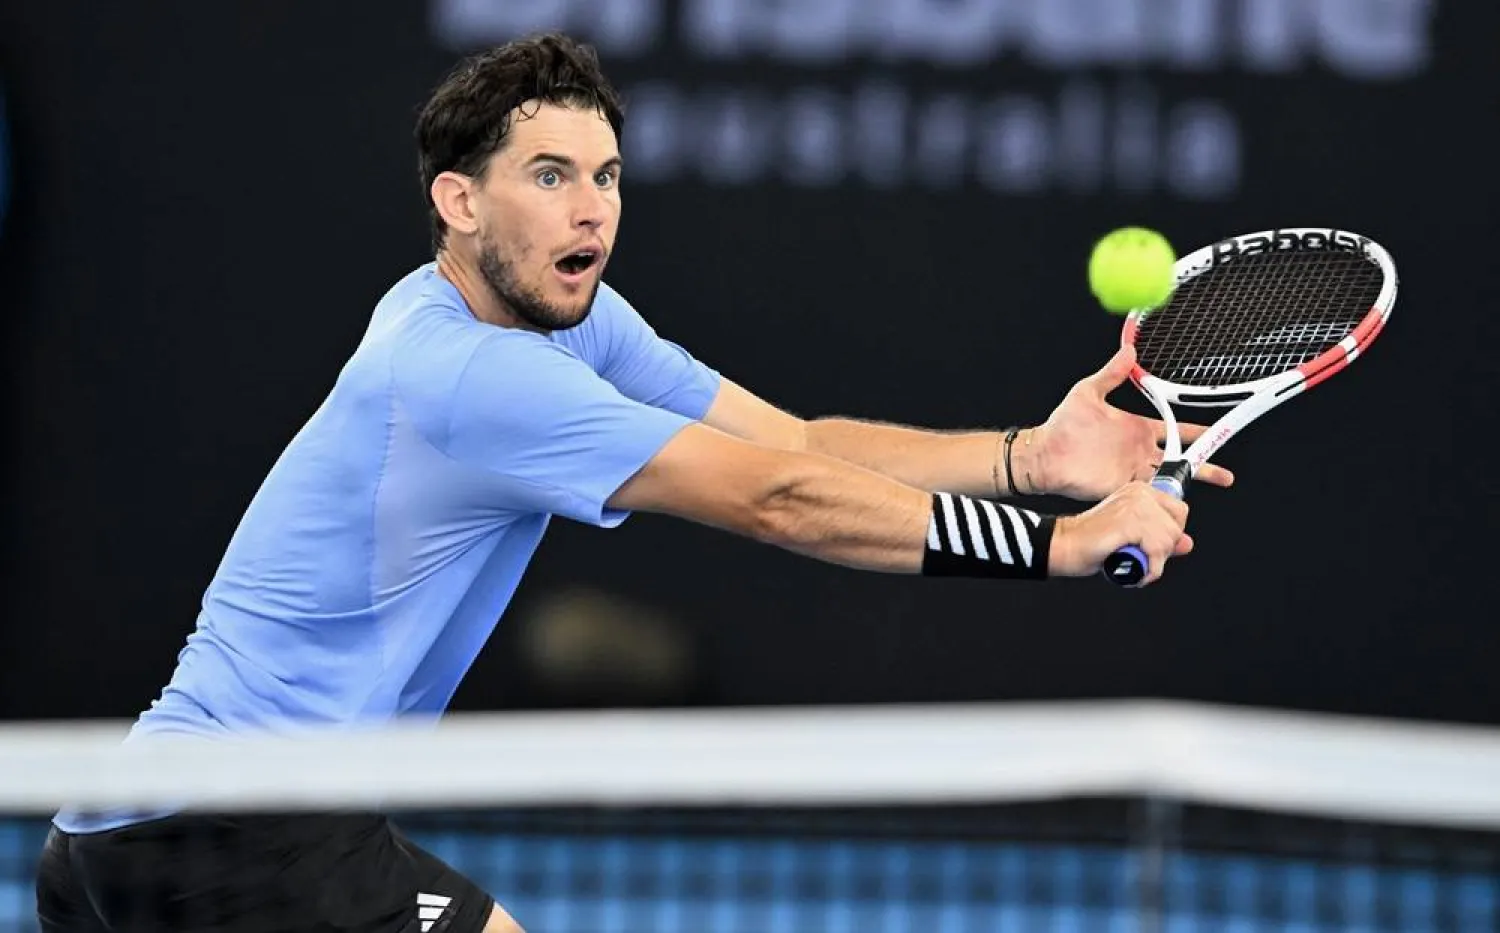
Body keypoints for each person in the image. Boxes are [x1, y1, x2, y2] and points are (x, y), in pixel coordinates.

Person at [35, 31, 1232, 933]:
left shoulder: (572, 318)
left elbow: (796, 448)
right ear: (459, 203)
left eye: (607, 176)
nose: (593, 208)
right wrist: (1056, 546)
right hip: (227, 835)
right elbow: (777, 504)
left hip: (169, 825)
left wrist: (1031, 461)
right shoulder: (466, 374)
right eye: (550, 175)